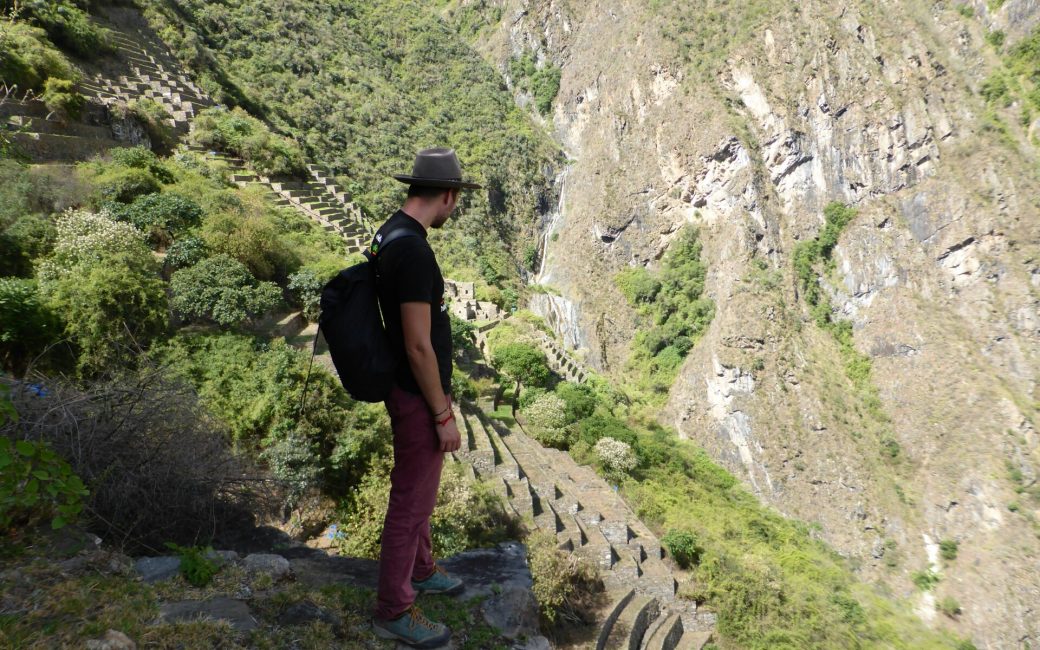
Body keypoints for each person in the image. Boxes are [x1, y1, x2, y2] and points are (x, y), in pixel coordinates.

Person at [370, 147, 481, 648]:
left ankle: (422, 568)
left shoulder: (390, 231)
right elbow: (418, 344)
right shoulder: (413, 251)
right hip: (417, 393)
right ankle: (394, 608)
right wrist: (443, 414)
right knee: (410, 501)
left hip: (405, 385)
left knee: (421, 495)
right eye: (457, 202)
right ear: (449, 197)